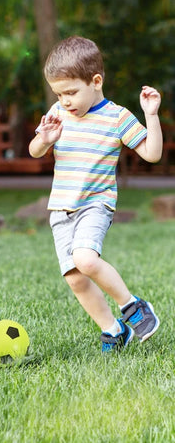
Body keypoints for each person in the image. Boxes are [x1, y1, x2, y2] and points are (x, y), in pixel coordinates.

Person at [29, 36, 162, 353]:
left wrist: (152, 114)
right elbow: (35, 151)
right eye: (59, 94)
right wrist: (44, 139)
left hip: (95, 205)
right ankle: (115, 331)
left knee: (86, 259)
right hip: (61, 210)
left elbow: (153, 153)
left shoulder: (117, 117)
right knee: (75, 278)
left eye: (71, 92)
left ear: (96, 81)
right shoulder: (58, 114)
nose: (65, 100)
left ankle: (133, 307)